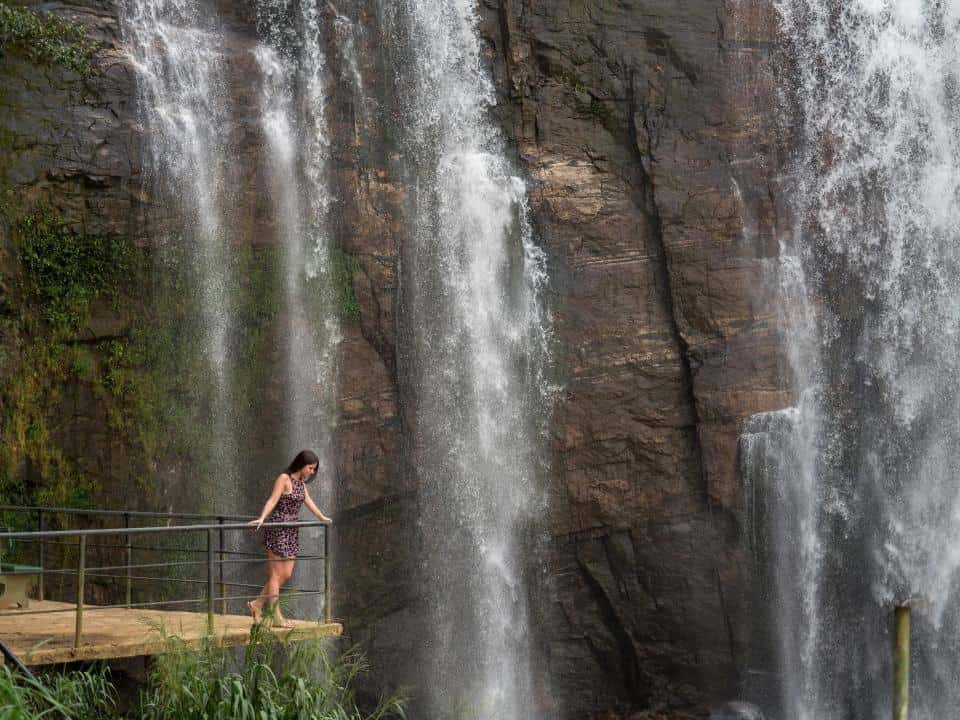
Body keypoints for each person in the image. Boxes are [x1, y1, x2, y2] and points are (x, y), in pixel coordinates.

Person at [247, 449, 332, 627]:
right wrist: (262, 518)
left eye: (314, 469)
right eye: (310, 468)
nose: (312, 472)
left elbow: (309, 502)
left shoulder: (301, 484)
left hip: (292, 530)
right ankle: (277, 617)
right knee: (276, 574)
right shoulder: (283, 479)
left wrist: (322, 518)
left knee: (285, 574)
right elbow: (272, 500)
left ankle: (257, 604)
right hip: (278, 528)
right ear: (301, 465)